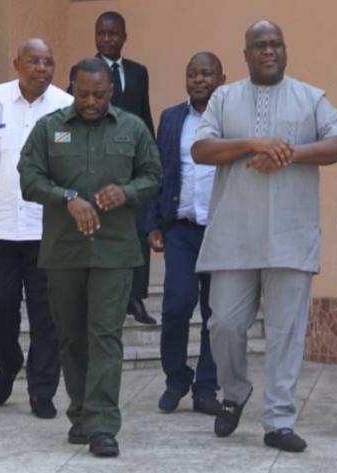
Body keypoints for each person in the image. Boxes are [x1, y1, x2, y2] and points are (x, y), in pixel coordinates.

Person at [191, 20, 337, 452]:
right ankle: (235, 391)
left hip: (290, 237)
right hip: (233, 236)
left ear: (285, 50)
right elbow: (201, 150)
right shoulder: (224, 98)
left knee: (286, 333)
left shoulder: (310, 97)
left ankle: (279, 420)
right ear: (245, 55)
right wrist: (253, 144)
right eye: (260, 45)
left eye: (275, 44)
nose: (269, 51)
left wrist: (290, 153)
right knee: (224, 324)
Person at [18, 58, 161, 457]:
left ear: (111, 91)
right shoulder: (50, 128)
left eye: (99, 94)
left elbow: (154, 176)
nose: (91, 102)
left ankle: (102, 424)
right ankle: (81, 412)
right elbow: (29, 178)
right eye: (83, 94)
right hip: (64, 251)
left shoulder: (132, 128)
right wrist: (67, 197)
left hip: (115, 252)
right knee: (71, 337)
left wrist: (127, 193)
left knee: (105, 336)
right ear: (72, 89)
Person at [0, 38, 72, 418]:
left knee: (47, 316)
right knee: (1, 307)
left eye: (48, 62)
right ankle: (8, 363)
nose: (41, 68)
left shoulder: (65, 107)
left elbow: (71, 167)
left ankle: (42, 391)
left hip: (47, 231)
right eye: (33, 61)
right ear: (17, 63)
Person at [146, 52, 225, 416]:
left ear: (221, 79)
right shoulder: (171, 118)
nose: (199, 80)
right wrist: (153, 224)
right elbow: (158, 171)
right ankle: (176, 377)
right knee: (176, 306)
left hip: (222, 232)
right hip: (180, 229)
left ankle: (206, 388)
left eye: (206, 74)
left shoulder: (231, 121)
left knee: (216, 314)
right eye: (192, 74)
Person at [69, 11, 156, 325]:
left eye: (113, 33)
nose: (107, 39)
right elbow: (72, 116)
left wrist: (150, 156)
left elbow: (144, 116)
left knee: (137, 230)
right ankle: (99, 296)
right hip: (95, 162)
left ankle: (136, 297)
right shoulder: (82, 70)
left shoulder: (138, 72)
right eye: (101, 33)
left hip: (131, 165)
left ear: (124, 37)